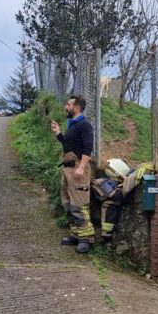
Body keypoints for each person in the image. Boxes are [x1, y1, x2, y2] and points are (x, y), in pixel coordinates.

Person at [50, 95, 96, 253]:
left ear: (76, 107)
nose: (66, 107)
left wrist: (82, 167)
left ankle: (86, 238)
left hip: (78, 169)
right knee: (67, 203)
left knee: (79, 204)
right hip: (68, 169)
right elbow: (68, 144)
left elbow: (88, 147)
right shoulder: (72, 124)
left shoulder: (84, 125)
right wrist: (58, 133)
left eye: (68, 105)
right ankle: (76, 234)